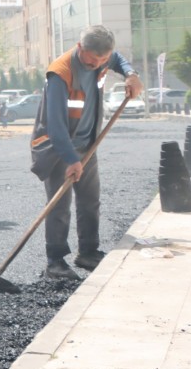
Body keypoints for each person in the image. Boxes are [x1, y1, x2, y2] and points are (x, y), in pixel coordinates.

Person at [31, 25, 142, 280]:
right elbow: (56, 126)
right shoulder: (60, 74)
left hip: (88, 145)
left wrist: (131, 74)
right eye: (93, 60)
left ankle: (88, 252)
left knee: (90, 201)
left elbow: (117, 59)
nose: (98, 65)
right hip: (58, 147)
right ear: (80, 47)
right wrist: (71, 159)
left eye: (103, 60)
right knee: (59, 205)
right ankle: (55, 262)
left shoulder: (102, 57)